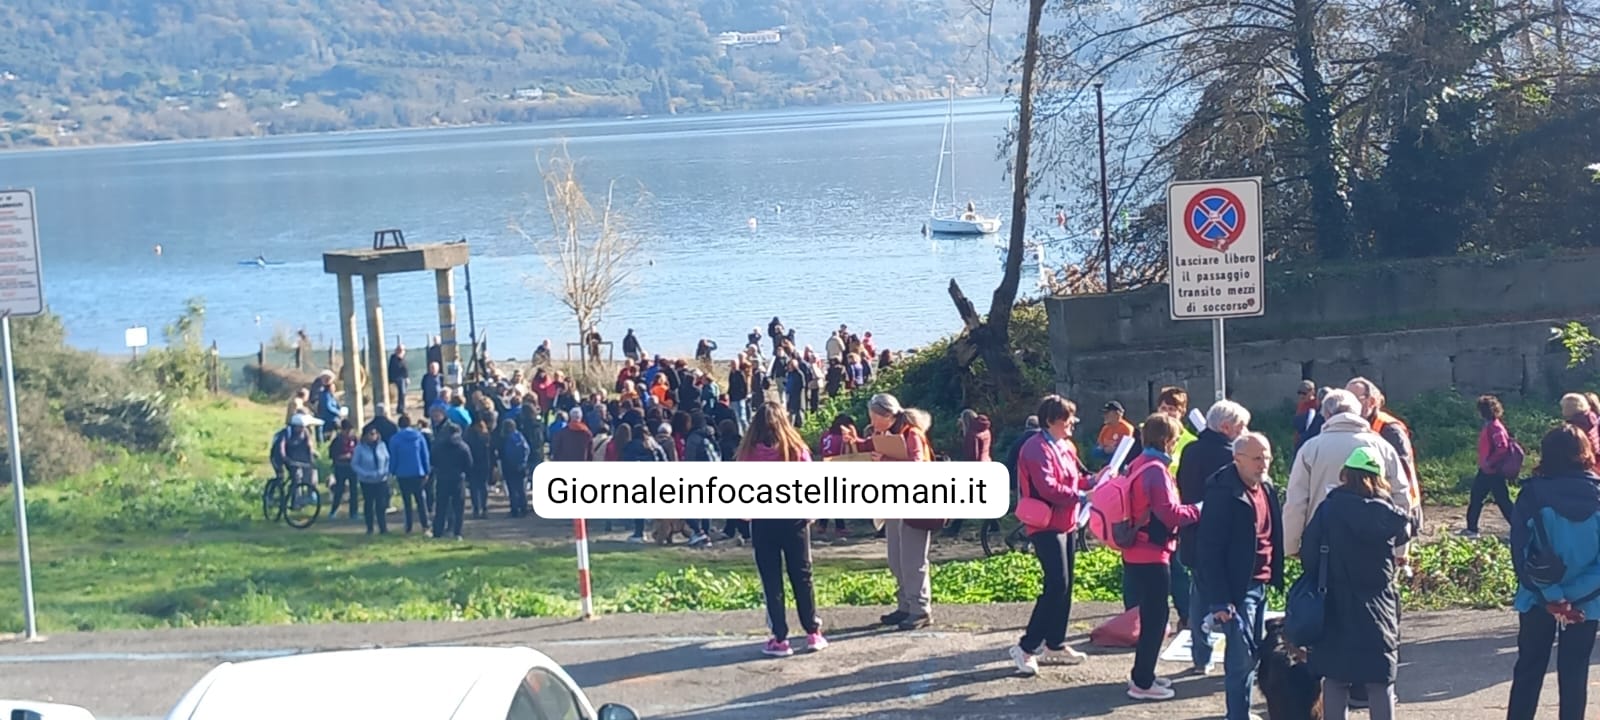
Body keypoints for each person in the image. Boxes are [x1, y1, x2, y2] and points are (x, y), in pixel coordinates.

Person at [1302, 447, 1412, 720]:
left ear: (1345, 475)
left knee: (1336, 677)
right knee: (1379, 678)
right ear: (1379, 478)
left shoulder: (1328, 510)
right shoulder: (1389, 515)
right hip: (1378, 603)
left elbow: (1309, 554)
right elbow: (1403, 536)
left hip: (1335, 602)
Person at [1505, 424, 1600, 720]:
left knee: (1529, 669)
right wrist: (1570, 599)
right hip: (1587, 601)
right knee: (1574, 672)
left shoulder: (1531, 495)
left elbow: (1521, 556)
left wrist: (1553, 597)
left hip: (1538, 598)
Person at [1197, 432, 1283, 719]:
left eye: (1267, 457)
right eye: (1257, 458)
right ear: (1238, 459)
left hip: (1261, 584)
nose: (1264, 464)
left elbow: (1272, 534)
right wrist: (1219, 601)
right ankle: (1237, 715)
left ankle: (1241, 713)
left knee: (1254, 654)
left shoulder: (1266, 487)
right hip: (1237, 589)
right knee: (1241, 659)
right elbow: (1209, 550)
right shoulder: (1223, 493)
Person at [1120, 414, 1202, 702]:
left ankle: (1144, 673)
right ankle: (1142, 682)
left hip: (1134, 549)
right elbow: (1170, 514)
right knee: (1156, 620)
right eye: (1176, 438)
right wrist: (1199, 509)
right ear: (1167, 440)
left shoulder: (1137, 464)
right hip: (1152, 553)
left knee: (1150, 617)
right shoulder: (1157, 471)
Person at [1008, 395, 1091, 676]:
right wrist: (1082, 494)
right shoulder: (1035, 448)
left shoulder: (1065, 445)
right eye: (1067, 419)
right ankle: (1026, 646)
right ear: (1051, 421)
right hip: (1044, 524)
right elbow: (1048, 488)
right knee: (1056, 584)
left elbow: (1076, 478)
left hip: (1066, 522)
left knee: (1066, 585)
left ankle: (1054, 643)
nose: (1071, 424)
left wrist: (1098, 479)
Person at [738, 401, 828, 657]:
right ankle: (812, 632)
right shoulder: (796, 450)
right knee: (802, 575)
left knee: (771, 579)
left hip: (764, 520)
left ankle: (780, 637)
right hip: (794, 519)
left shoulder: (749, 454)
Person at [843, 392, 936, 631]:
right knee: (896, 558)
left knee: (913, 560)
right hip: (895, 501)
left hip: (916, 503)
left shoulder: (911, 433)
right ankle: (905, 605)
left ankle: (920, 609)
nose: (871, 421)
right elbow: (868, 447)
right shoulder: (887, 434)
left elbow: (918, 466)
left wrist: (884, 461)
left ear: (885, 415)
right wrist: (853, 441)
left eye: (873, 416)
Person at [1174, 399, 1252, 672]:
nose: (1245, 431)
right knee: (1233, 598)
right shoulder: (1231, 456)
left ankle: (1201, 657)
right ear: (1226, 427)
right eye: (1242, 426)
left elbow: (1181, 486)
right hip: (1225, 540)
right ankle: (1238, 658)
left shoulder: (1190, 450)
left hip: (1193, 534)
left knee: (1199, 597)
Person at [1465, 394, 1517, 538]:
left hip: (1491, 471)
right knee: (1496, 499)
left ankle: (1472, 530)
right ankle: (1472, 528)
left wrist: (1490, 461)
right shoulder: (1491, 425)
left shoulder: (1494, 427)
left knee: (1492, 499)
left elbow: (1502, 447)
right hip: (1489, 470)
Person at [387, 414, 431, 534]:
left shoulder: (395, 439)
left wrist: (392, 472)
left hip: (403, 473)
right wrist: (427, 471)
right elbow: (425, 455)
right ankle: (425, 524)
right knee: (421, 500)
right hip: (418, 472)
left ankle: (408, 526)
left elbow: (393, 458)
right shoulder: (419, 436)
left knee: (407, 501)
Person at [431, 421, 473, 540]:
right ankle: (457, 532)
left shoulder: (439, 446)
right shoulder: (463, 447)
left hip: (442, 478)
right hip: (458, 479)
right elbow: (469, 464)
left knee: (441, 507)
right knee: (458, 508)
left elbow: (432, 460)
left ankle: (437, 532)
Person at [352, 425, 391, 535]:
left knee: (381, 504)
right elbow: (355, 464)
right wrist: (365, 474)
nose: (373, 436)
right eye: (371, 434)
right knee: (369, 504)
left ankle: (383, 528)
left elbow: (388, 459)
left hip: (381, 479)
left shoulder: (382, 445)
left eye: (375, 433)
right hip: (367, 481)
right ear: (365, 435)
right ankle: (370, 528)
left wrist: (385, 472)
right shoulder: (359, 448)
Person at [327, 419, 360, 521]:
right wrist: (344, 456)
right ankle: (333, 511)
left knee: (354, 490)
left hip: (352, 467)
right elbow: (332, 455)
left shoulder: (354, 439)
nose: (349, 433)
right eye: (347, 430)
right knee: (339, 490)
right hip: (340, 467)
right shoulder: (337, 441)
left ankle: (353, 513)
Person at [499, 418, 531, 518]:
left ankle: (514, 510)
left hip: (508, 467)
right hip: (521, 466)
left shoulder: (503, 439)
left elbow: (501, 454)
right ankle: (524, 508)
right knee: (521, 488)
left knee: (512, 489)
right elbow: (527, 449)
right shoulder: (519, 436)